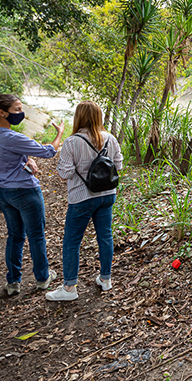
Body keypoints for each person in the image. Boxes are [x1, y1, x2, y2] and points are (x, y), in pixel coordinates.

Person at [0, 94, 64, 296]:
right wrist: (59, 134)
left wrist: (27, 159)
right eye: (17, 110)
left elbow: (9, 154)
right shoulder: (13, 137)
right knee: (36, 235)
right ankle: (43, 278)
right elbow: (48, 151)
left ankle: (13, 282)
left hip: (4, 191)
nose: (21, 113)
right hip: (25, 192)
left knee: (15, 236)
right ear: (2, 112)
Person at [46, 101, 123, 301]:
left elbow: (65, 173)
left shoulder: (72, 142)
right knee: (105, 236)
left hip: (82, 197)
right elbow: (119, 165)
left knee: (72, 241)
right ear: (99, 117)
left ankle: (70, 288)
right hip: (107, 195)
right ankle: (105, 279)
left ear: (78, 117)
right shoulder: (110, 138)